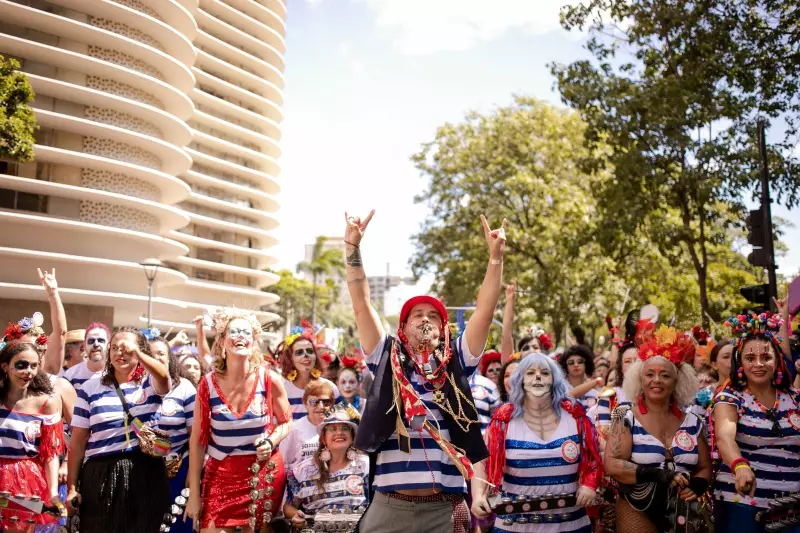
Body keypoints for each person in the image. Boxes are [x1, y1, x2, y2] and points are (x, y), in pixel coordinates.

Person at [344, 210, 504, 533]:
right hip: (389, 507)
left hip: (444, 510)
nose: (426, 319)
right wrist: (352, 249)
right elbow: (361, 303)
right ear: (402, 327)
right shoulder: (386, 355)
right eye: (417, 314)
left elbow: (485, 311)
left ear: (444, 328)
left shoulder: (456, 360)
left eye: (433, 315)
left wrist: (496, 258)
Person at [186, 309, 292, 533]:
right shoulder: (207, 385)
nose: (240, 337)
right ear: (222, 342)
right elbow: (197, 441)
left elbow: (286, 421)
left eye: (246, 333)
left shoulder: (269, 379)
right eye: (234, 332)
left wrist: (271, 441)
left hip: (261, 473)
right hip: (220, 475)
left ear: (254, 343)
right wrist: (194, 495)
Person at [471, 353, 602, 533]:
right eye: (530, 372)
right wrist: (478, 495)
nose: (538, 376)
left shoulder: (575, 415)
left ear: (555, 380)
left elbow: (594, 457)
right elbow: (482, 460)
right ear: (520, 381)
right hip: (514, 526)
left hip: (571, 524)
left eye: (545, 373)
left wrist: (589, 484)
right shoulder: (503, 419)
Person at [604, 324, 712, 533]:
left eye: (665, 375)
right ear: (639, 379)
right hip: (637, 508)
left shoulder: (694, 421)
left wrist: (698, 484)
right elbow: (612, 464)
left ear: (677, 381)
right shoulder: (626, 418)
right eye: (650, 374)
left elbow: (705, 466)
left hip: (685, 511)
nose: (657, 380)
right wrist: (655, 474)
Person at [66, 327, 171, 533]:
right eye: (114, 348)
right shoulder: (90, 388)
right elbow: (78, 441)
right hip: (100, 474)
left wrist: (139, 353)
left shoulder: (149, 382)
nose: (119, 353)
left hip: (145, 472)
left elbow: (165, 379)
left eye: (126, 349)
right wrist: (72, 488)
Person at [712, 312, 800, 533]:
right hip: (743, 505)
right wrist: (740, 466)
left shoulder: (794, 397)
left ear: (777, 359)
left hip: (792, 508)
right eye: (750, 358)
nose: (758, 364)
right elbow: (724, 436)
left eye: (766, 357)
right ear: (739, 362)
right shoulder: (730, 397)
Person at [0, 341, 67, 532]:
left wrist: (53, 492)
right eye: (21, 365)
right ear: (5, 366)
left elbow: (50, 454)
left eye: (34, 366)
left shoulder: (46, 403)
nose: (28, 371)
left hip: (23, 480)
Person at [283, 404, 368, 530]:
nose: (339, 432)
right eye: (333, 429)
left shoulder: (366, 465)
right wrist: (296, 516)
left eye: (345, 428)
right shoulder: (302, 470)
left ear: (352, 437)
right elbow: (289, 507)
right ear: (323, 438)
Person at [149, 333, 196, 533]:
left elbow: (196, 435)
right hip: (144, 470)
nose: (156, 358)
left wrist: (193, 474)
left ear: (169, 358)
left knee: (176, 526)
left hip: (179, 469)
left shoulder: (184, 387)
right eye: (150, 353)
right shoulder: (133, 388)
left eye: (161, 353)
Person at [278, 323, 339, 421]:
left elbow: (339, 419)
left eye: (310, 351)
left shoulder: (330, 387)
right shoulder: (283, 390)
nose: (306, 355)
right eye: (299, 352)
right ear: (291, 359)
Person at [279, 380, 335, 468]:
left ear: (331, 404)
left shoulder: (338, 427)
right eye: (314, 402)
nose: (321, 407)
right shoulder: (294, 429)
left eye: (326, 402)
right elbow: (284, 462)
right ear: (305, 403)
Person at [62, 323, 111, 392]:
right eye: (91, 341)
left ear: (109, 345)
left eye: (100, 341)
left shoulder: (117, 374)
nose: (96, 344)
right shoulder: (70, 375)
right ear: (84, 345)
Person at [469, 358, 501, 433]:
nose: (495, 373)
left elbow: (498, 417)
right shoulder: (446, 382)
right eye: (490, 370)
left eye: (498, 369)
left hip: (485, 439)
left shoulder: (488, 384)